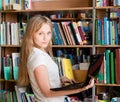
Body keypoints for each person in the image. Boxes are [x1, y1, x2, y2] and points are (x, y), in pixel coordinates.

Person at [17, 15, 95, 102]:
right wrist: (82, 88)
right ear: (31, 34)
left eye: (48, 33)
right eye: (40, 33)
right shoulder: (38, 58)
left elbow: (46, 82)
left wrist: (59, 80)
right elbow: (47, 93)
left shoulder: (41, 53)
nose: (45, 38)